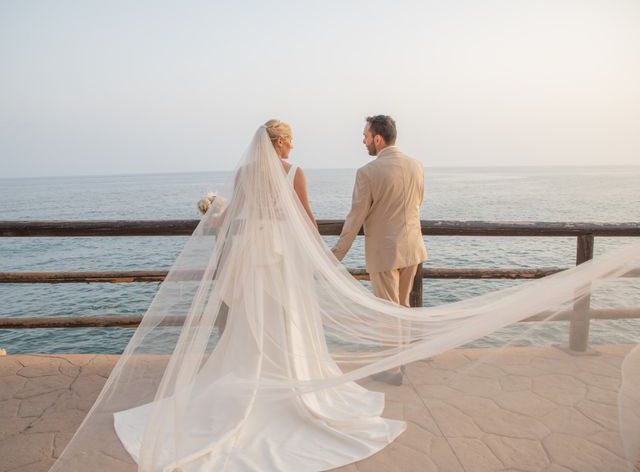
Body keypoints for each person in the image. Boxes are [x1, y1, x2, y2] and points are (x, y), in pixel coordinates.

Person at [49, 121, 640, 472]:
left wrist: (216, 211)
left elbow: (235, 220)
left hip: (254, 260)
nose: (291, 144)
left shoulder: (244, 177)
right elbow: (303, 220)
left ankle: (250, 381)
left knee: (251, 328)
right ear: (282, 144)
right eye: (290, 138)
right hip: (289, 258)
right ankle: (344, 374)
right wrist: (321, 257)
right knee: (298, 326)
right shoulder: (295, 171)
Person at [332, 115, 428, 384]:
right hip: (413, 248)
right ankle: (402, 361)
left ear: (377, 138)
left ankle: (393, 370)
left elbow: (355, 219)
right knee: (403, 306)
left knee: (387, 313)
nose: (363, 141)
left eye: (365, 136)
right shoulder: (416, 165)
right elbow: (418, 201)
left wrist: (335, 256)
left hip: (385, 252)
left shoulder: (367, 173)